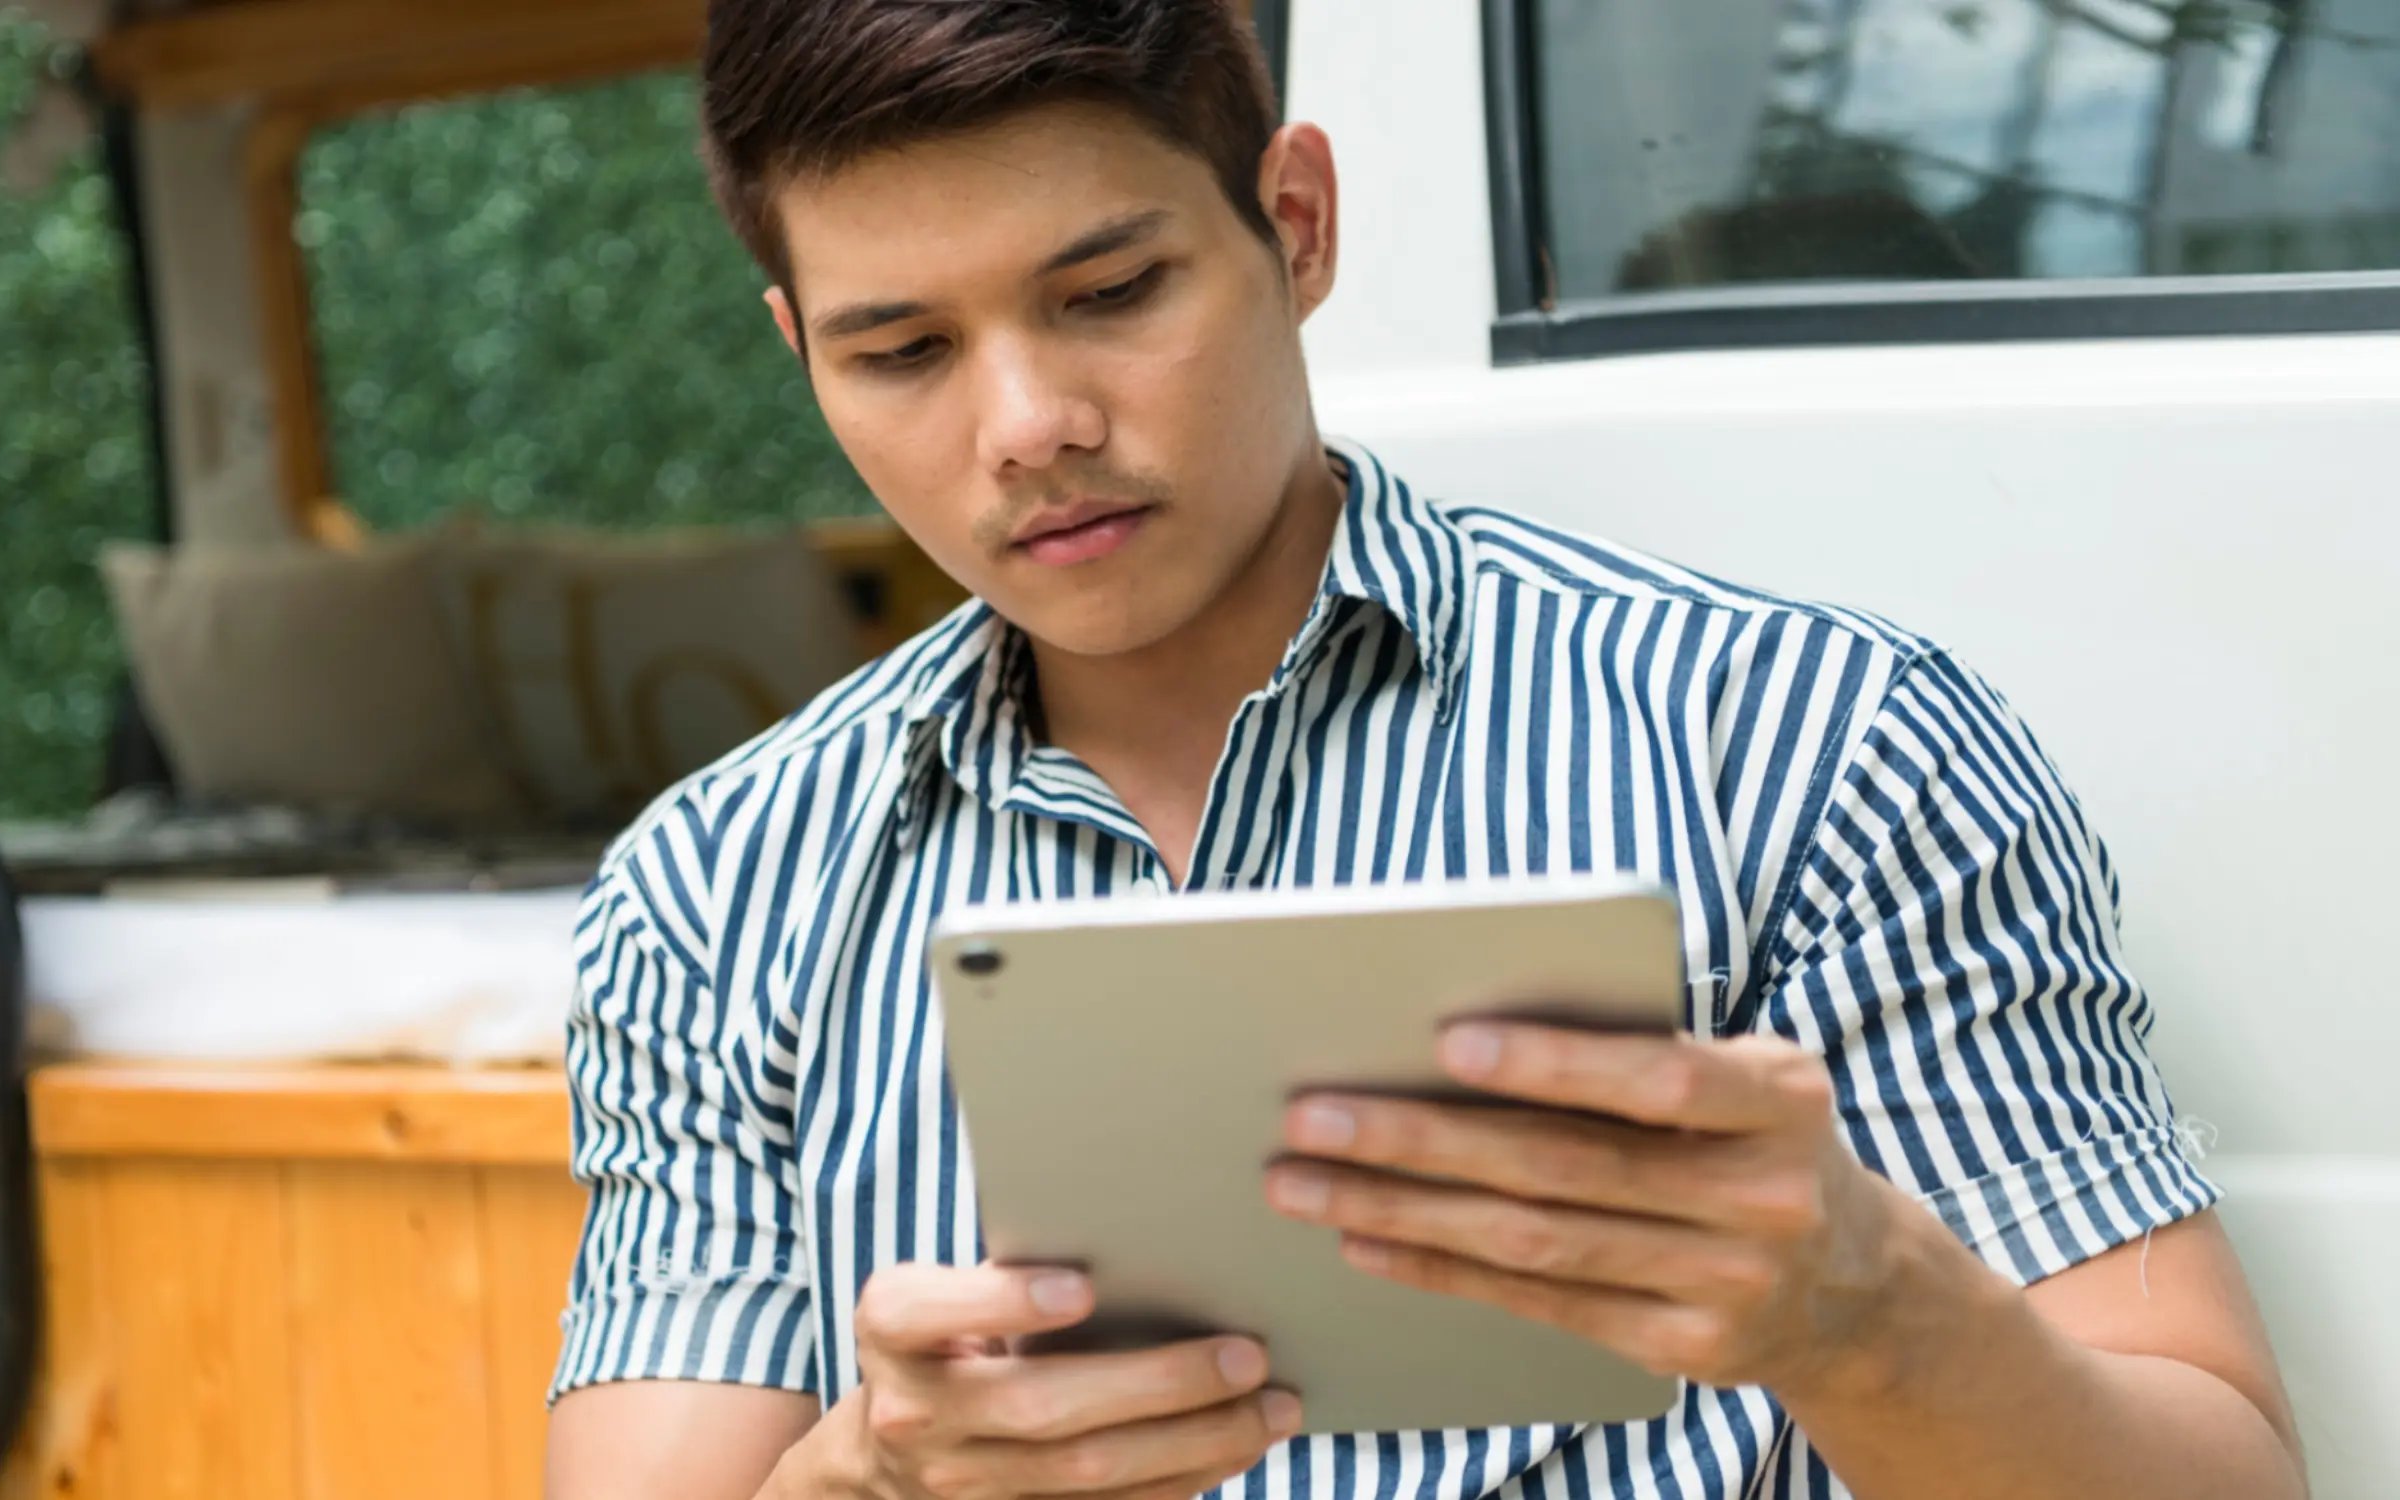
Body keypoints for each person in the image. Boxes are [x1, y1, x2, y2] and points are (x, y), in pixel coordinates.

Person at [542, 3, 2304, 1496]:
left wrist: (1864, 1312)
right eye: (904, 349)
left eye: (1110, 291)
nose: (1028, 429)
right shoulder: (717, 892)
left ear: (1295, 223)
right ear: (801, 354)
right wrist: (864, 1478)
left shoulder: (1817, 753)